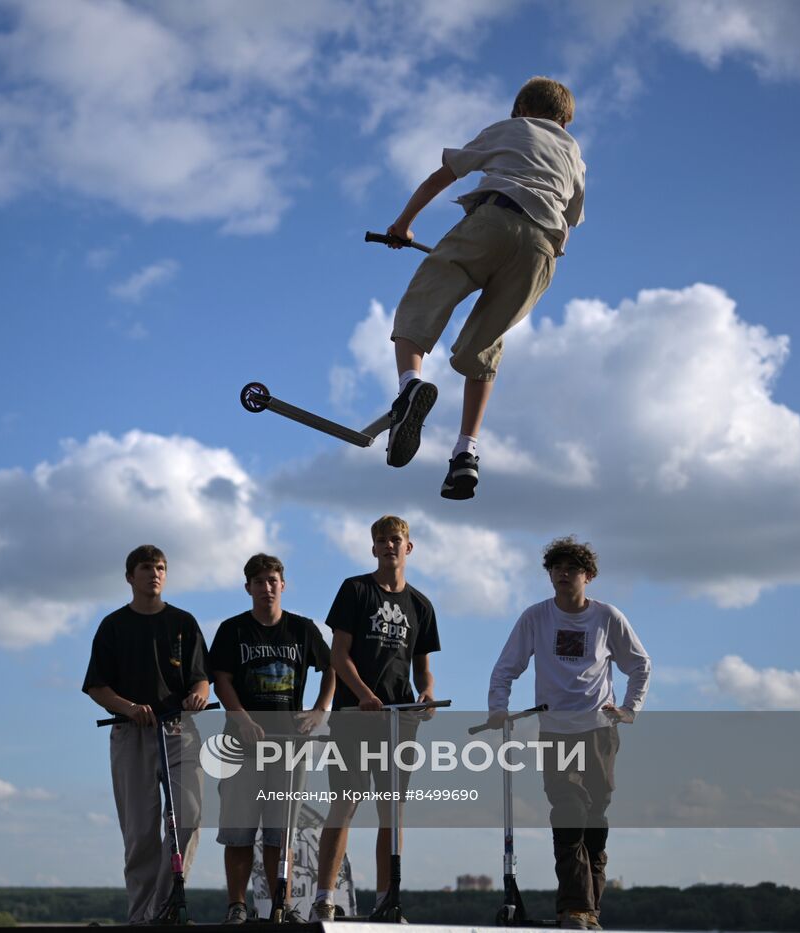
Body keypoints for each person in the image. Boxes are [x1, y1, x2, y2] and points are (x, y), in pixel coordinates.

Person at [381, 76, 586, 501]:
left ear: (521, 109)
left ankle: (409, 387)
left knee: (423, 299)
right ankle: (466, 453)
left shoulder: (511, 128)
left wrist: (403, 223)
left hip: (494, 220)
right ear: (565, 123)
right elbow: (570, 220)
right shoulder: (574, 155)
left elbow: (443, 177)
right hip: (541, 251)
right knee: (485, 348)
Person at [487, 537, 650, 930]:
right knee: (569, 813)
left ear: (588, 576)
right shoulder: (536, 617)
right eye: (556, 568)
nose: (562, 573)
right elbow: (506, 667)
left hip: (599, 733)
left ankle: (589, 910)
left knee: (595, 819)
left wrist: (629, 709)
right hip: (556, 732)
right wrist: (498, 708)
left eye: (571, 568)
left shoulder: (607, 617)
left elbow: (640, 665)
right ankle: (574, 909)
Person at [311, 516, 441, 922]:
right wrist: (364, 694)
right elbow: (338, 655)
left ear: (409, 548)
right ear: (373, 548)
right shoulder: (355, 590)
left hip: (399, 719)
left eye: (396, 540)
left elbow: (423, 667)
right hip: (354, 714)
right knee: (345, 801)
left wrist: (428, 694)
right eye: (382, 540)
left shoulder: (421, 604)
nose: (389, 546)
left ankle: (387, 898)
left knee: (393, 809)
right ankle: (324, 897)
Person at [83, 545, 211, 924]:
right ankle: (142, 916)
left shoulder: (184, 622)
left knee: (189, 816)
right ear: (129, 577)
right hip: (131, 732)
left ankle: (167, 906)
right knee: (140, 833)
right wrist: (129, 708)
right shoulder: (113, 626)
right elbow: (96, 686)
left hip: (179, 730)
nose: (154, 573)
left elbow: (201, 678)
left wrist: (199, 697)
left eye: (160, 567)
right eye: (145, 567)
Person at [210, 554, 335, 924]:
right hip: (242, 746)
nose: (267, 587)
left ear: (284, 585)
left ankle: (280, 905)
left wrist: (319, 710)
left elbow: (332, 668)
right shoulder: (233, 630)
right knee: (239, 833)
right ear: (248, 587)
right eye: (260, 581)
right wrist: (241, 717)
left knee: (281, 834)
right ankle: (237, 906)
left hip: (289, 747)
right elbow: (221, 679)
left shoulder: (302, 629)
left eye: (273, 580)